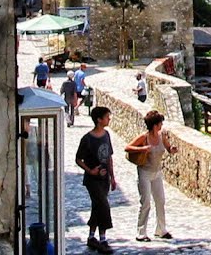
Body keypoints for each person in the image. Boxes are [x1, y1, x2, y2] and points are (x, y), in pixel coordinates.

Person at [124, 110, 178, 242]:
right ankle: (141, 232)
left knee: (160, 201)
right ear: (155, 124)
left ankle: (161, 229)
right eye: (160, 123)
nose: (161, 125)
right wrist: (142, 149)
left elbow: (168, 148)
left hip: (157, 172)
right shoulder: (144, 137)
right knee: (146, 202)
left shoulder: (161, 136)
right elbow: (127, 147)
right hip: (145, 173)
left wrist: (172, 150)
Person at [76, 107, 117, 254]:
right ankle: (103, 239)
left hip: (104, 179)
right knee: (103, 206)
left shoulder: (106, 135)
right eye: (107, 117)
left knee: (97, 207)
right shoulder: (87, 139)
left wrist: (112, 177)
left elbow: (109, 157)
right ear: (99, 119)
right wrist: (90, 170)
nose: (109, 119)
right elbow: (78, 159)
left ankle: (91, 237)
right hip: (92, 180)